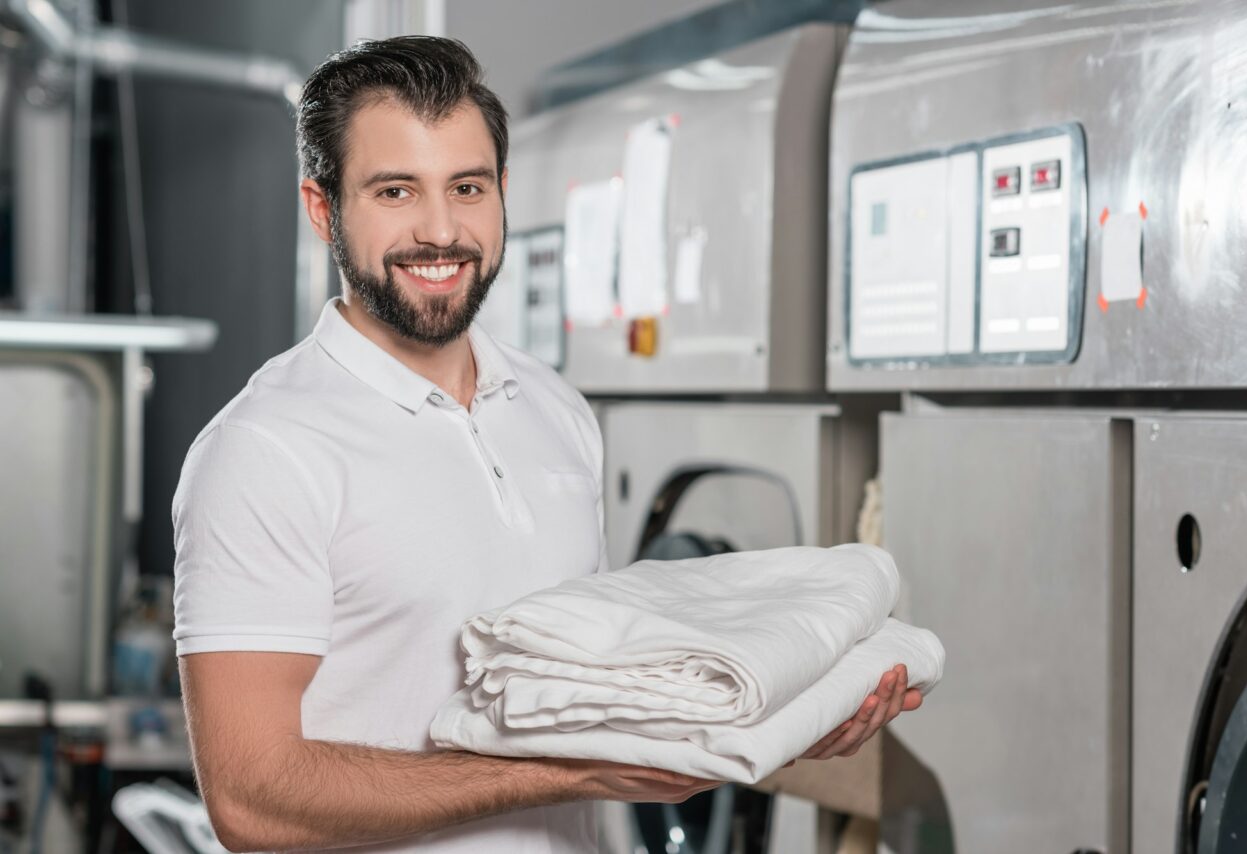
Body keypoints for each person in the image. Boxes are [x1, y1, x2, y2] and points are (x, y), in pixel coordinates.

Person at [172, 35, 921, 854]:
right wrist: (579, 774)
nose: (440, 230)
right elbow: (254, 800)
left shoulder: (555, 411)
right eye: (395, 191)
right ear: (324, 209)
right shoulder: (264, 450)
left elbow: (597, 699)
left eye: (468, 187)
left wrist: (782, 718)